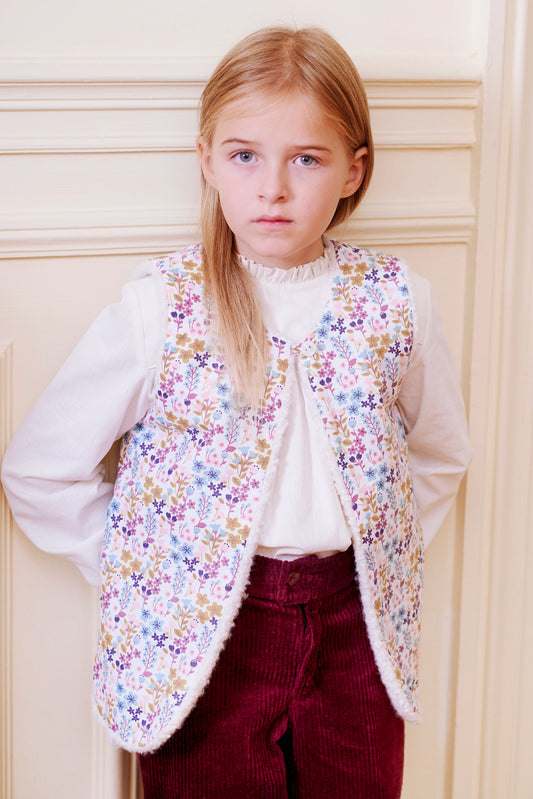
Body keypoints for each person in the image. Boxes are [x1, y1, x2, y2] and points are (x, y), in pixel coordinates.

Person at [1, 26, 472, 798]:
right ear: (207, 160)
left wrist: (383, 556)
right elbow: (40, 469)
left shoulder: (395, 301)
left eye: (306, 159)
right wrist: (141, 568)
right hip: (205, 641)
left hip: (355, 633)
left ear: (352, 171)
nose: (272, 188)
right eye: (245, 155)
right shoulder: (162, 307)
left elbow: (439, 452)